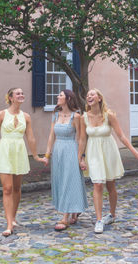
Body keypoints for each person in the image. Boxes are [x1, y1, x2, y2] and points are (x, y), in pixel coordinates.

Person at [78, 88, 138, 234]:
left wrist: (135, 153)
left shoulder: (109, 115)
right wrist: (80, 158)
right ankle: (99, 220)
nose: (89, 96)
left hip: (109, 152)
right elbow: (82, 139)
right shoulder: (84, 117)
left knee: (110, 185)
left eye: (92, 94)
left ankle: (112, 214)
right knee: (98, 184)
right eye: (87, 95)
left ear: (99, 98)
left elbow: (121, 136)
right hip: (93, 153)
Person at [0, 87, 44, 237]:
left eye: (22, 93)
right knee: (7, 188)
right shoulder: (1, 115)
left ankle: (13, 217)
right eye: (18, 93)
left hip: (19, 152)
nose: (21, 95)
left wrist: (35, 156)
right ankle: (9, 224)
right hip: (4, 151)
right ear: (10, 97)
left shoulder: (26, 116)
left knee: (16, 188)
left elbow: (31, 138)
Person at [44, 90, 88, 231]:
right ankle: (74, 211)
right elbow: (51, 135)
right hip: (58, 151)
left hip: (71, 149)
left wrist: (80, 157)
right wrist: (47, 154)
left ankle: (65, 217)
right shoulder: (55, 115)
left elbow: (81, 138)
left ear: (68, 98)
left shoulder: (76, 117)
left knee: (69, 181)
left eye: (61, 95)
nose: (57, 97)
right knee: (60, 181)